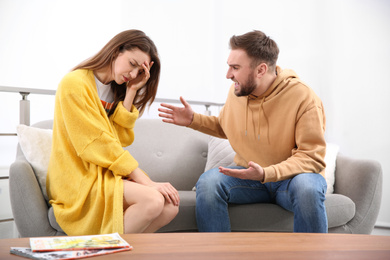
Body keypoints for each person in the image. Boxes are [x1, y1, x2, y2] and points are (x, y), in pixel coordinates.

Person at [158, 30, 327, 233]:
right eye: (229, 66)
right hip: (251, 179)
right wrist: (193, 120)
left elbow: (311, 157)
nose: (228, 75)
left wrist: (267, 173)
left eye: (235, 68)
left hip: (291, 180)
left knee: (308, 187)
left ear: (261, 70)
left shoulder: (303, 97)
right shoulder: (238, 91)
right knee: (209, 183)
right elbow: (226, 127)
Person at [47, 29, 179, 236]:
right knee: (153, 199)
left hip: (105, 173)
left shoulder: (116, 89)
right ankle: (105, 252)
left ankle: (122, 251)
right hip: (78, 178)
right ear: (116, 51)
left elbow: (119, 140)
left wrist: (132, 91)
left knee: (170, 206)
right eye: (133, 64)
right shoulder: (74, 83)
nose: (133, 74)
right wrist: (147, 182)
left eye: (140, 71)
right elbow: (96, 144)